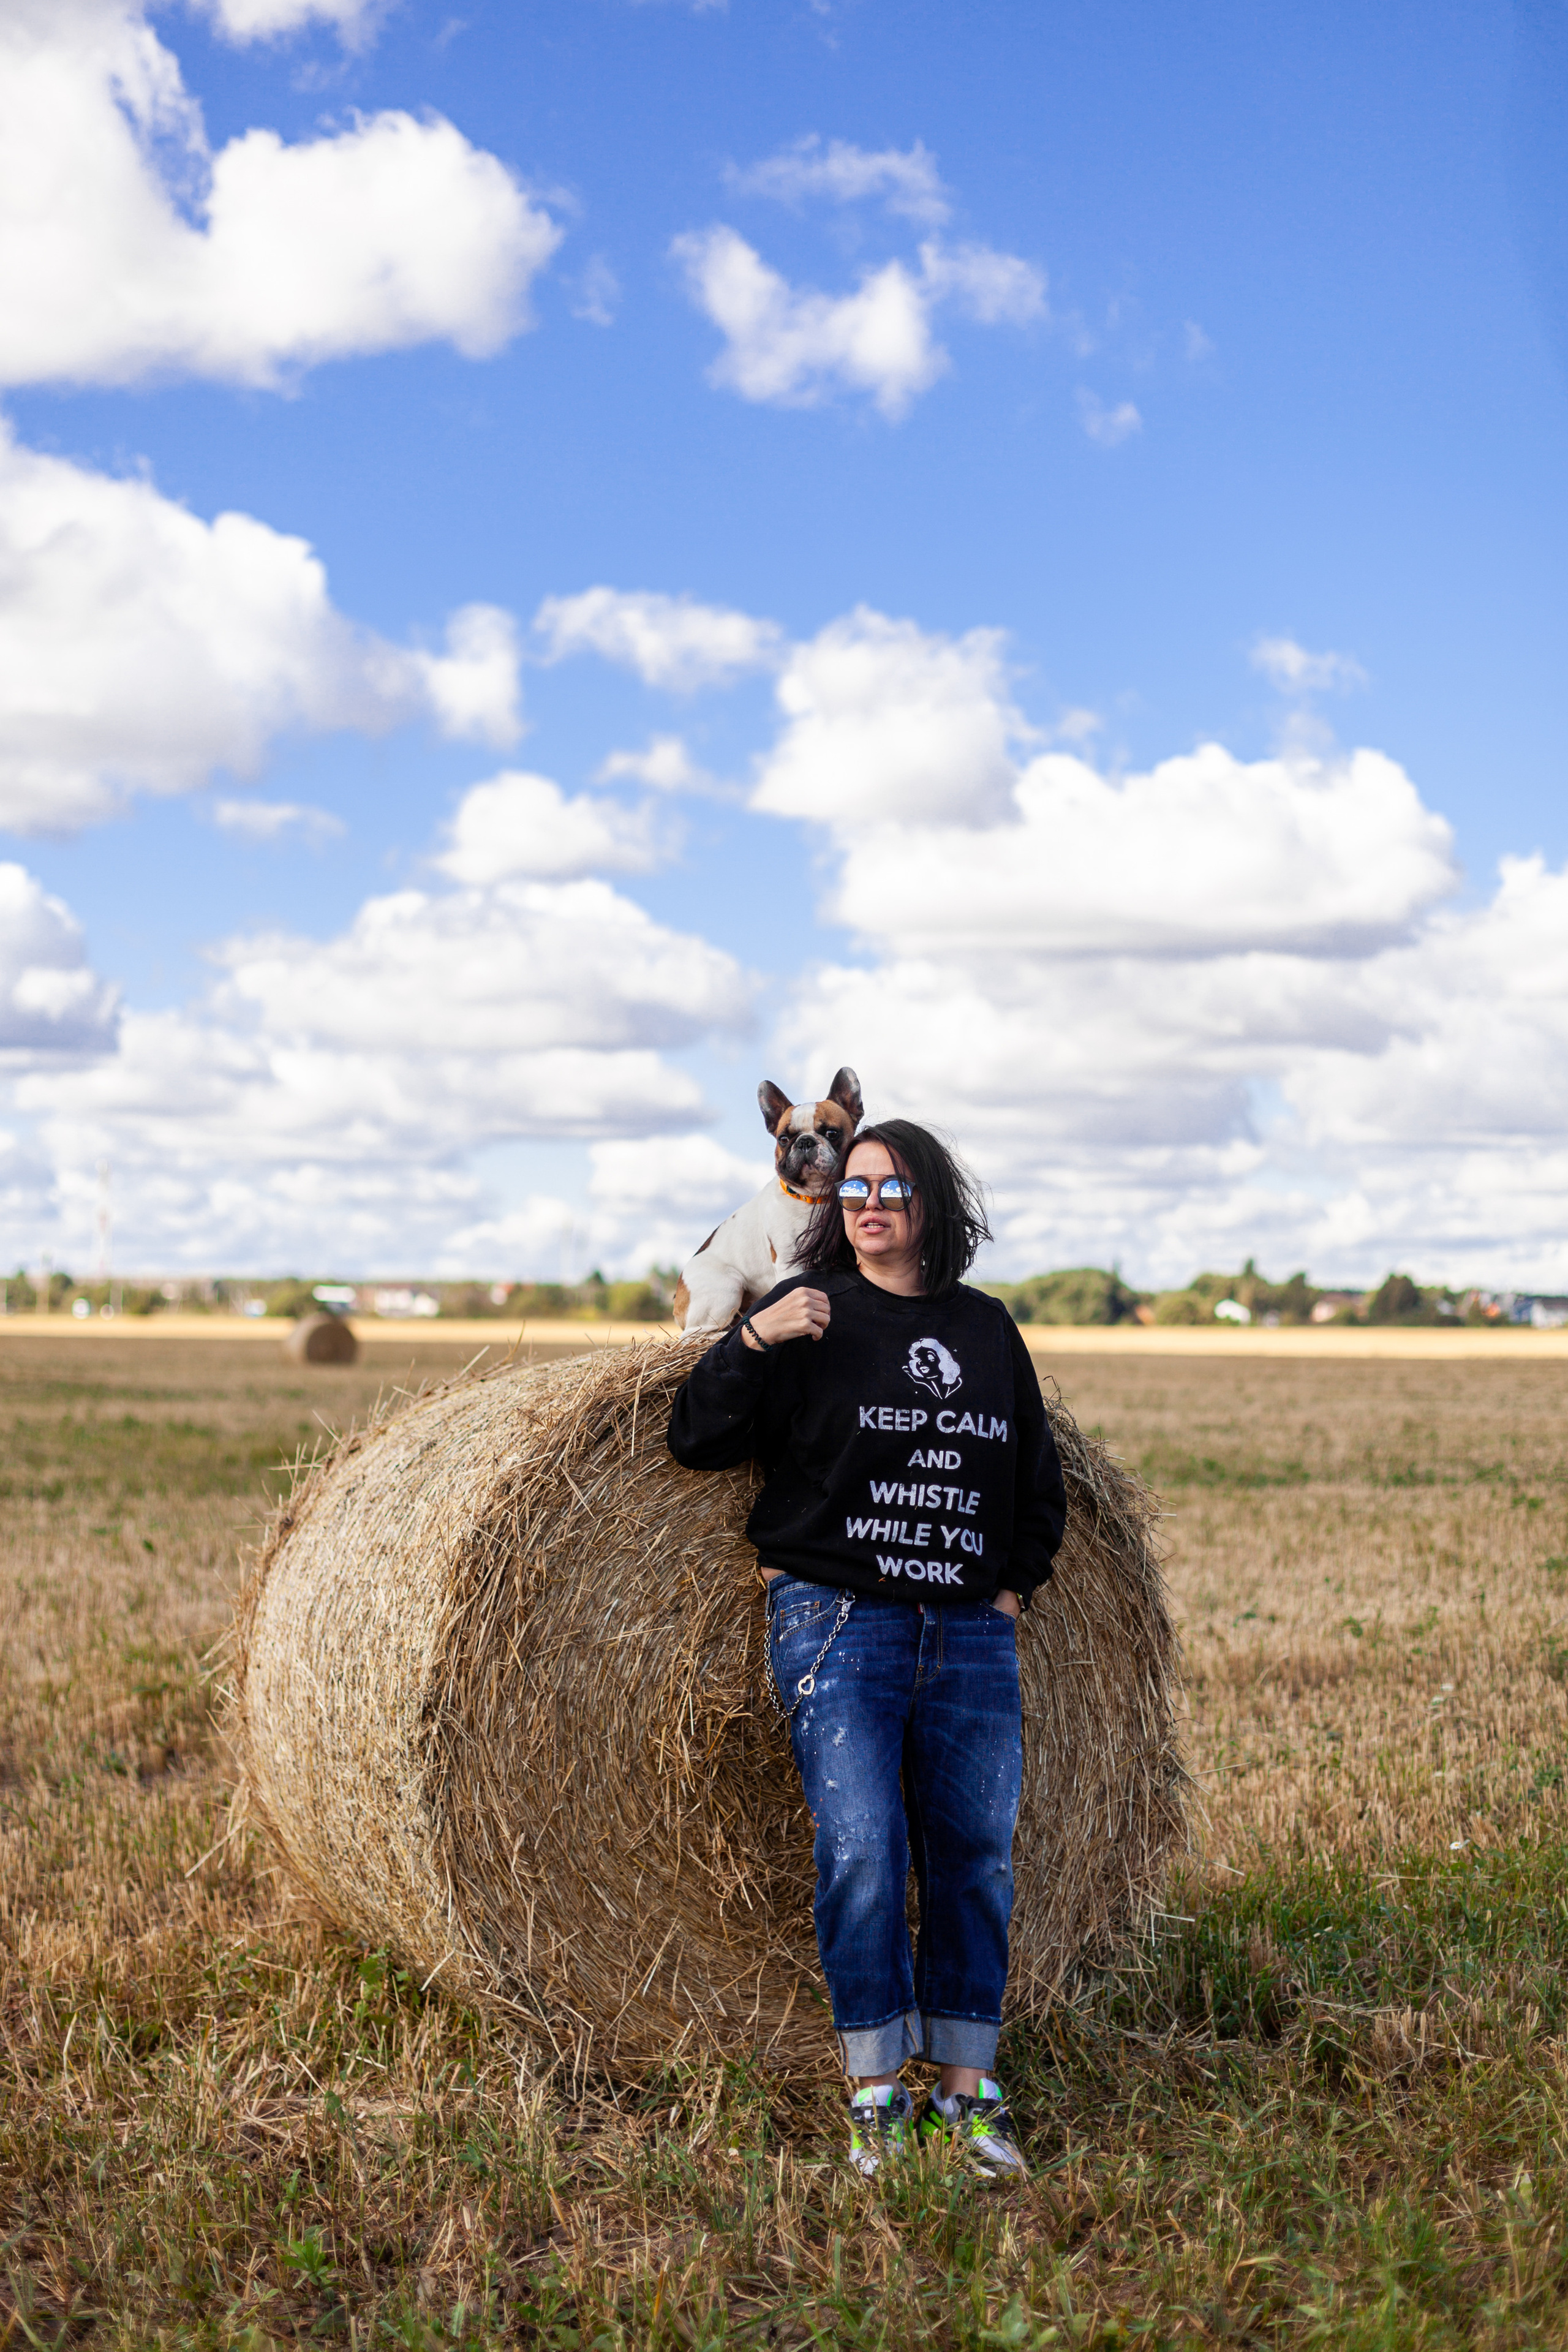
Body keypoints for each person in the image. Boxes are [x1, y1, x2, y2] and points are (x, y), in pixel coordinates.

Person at [667, 1119, 1067, 2179]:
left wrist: (1014, 1583)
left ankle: (967, 2093)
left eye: (890, 1186)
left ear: (932, 1200)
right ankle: (879, 2096)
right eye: (852, 1189)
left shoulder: (985, 1329)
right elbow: (694, 1437)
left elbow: (1037, 1473)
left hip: (971, 1632)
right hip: (842, 1623)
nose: (869, 1203)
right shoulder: (812, 1315)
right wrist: (749, 1341)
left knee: (977, 1860)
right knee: (865, 1853)